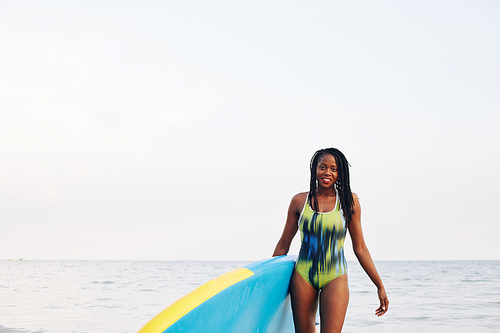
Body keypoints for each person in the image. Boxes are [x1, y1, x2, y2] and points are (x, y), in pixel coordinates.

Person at [273, 148, 389, 333]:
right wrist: (269, 284)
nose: (327, 173)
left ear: (340, 173)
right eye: (323, 167)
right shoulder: (299, 201)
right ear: (314, 169)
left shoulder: (348, 202)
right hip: (303, 277)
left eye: (334, 169)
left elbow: (359, 248)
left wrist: (379, 285)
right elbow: (283, 245)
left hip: (335, 277)